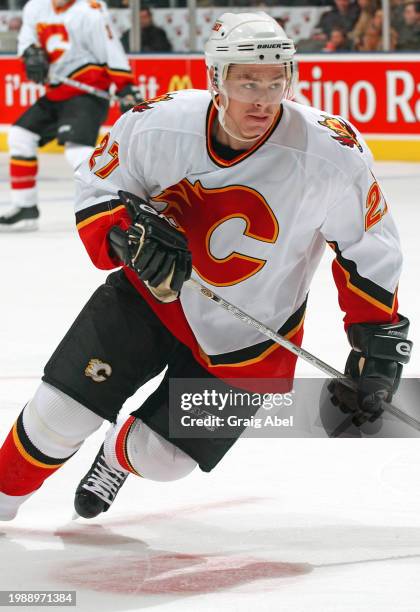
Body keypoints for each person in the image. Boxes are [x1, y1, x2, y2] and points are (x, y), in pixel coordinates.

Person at [0, 11, 412, 521]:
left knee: (164, 459)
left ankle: (115, 458)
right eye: (247, 81)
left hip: (251, 338)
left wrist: (376, 343)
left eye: (275, 80)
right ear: (215, 79)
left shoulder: (332, 153)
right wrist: (127, 236)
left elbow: (369, 248)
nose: (263, 98)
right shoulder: (158, 123)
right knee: (57, 416)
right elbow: (99, 187)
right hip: (151, 297)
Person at [0, 0, 142, 231]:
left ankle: (116, 207)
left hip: (86, 94)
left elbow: (110, 48)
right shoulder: (35, 7)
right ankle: (25, 208)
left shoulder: (90, 10)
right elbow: (27, 42)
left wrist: (125, 86)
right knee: (20, 136)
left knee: (77, 152)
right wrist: (30, 54)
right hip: (56, 92)